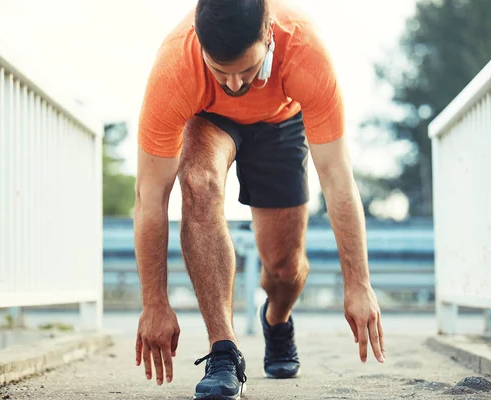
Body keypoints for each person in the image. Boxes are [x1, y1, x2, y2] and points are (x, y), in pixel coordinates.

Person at [133, 0, 385, 398]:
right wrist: (154, 302)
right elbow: (150, 199)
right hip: (208, 119)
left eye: (247, 71)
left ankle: (277, 318)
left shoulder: (304, 49)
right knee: (198, 181)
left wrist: (358, 284)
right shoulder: (175, 66)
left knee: (284, 269)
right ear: (199, 46)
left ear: (268, 35)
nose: (234, 85)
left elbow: (337, 178)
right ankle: (223, 351)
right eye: (221, 73)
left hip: (281, 120)